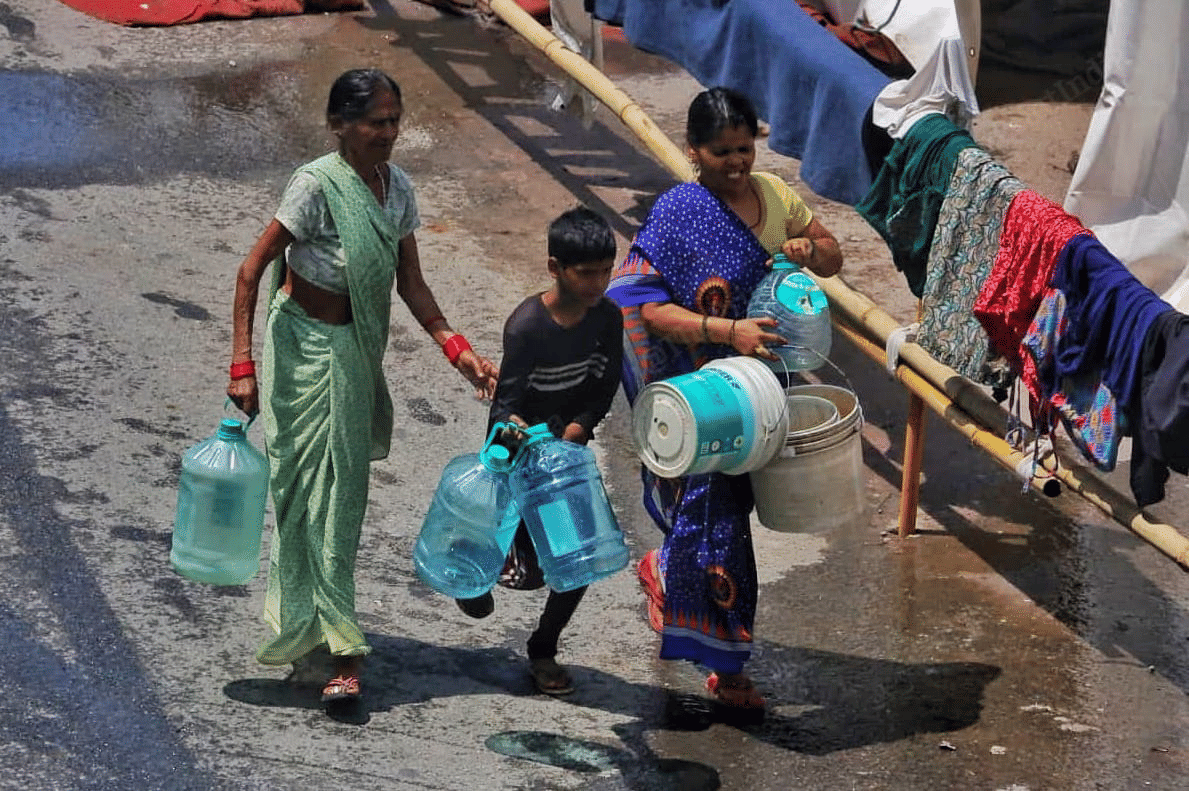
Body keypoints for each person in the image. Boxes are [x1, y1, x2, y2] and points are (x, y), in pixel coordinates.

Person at [226, 68, 498, 713]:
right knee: (297, 491)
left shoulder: (396, 189)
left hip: (351, 353)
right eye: (374, 121)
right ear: (340, 125)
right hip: (297, 350)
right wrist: (242, 364)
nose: (387, 133)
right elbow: (250, 271)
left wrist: (456, 349)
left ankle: (340, 643)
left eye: (394, 121)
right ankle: (316, 632)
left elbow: (412, 282)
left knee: (341, 499)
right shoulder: (316, 186)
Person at [606, 86, 843, 713]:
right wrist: (725, 332)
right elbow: (643, 305)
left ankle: (665, 574)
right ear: (693, 152)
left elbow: (834, 256)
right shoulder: (681, 211)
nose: (736, 163)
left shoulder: (773, 196)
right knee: (720, 523)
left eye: (744, 148)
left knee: (729, 511)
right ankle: (728, 667)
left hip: (761, 390)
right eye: (721, 153)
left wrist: (808, 251)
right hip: (703, 393)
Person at [454, 206, 622, 696]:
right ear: (555, 268)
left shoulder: (607, 320)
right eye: (585, 273)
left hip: (564, 455)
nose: (597, 283)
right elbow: (506, 404)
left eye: (605, 271)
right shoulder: (526, 326)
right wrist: (521, 444)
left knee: (575, 557)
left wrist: (576, 430)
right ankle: (473, 572)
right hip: (518, 450)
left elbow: (604, 385)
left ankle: (544, 646)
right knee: (502, 544)